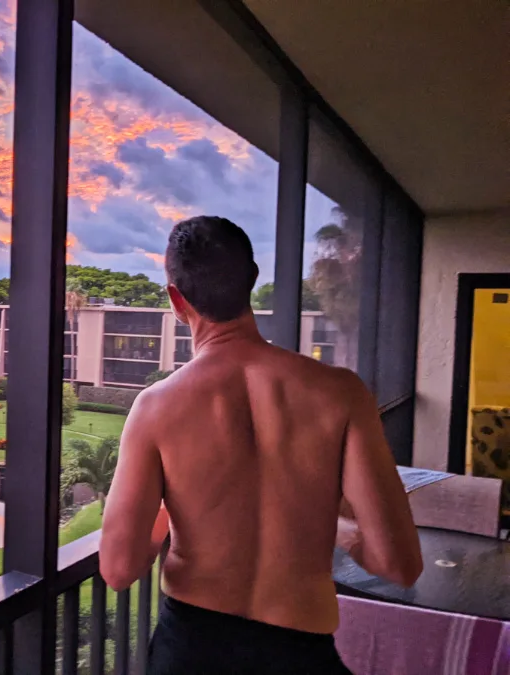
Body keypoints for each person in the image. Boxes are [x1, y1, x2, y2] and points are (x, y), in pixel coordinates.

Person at [99, 216, 422, 674]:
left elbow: (117, 568)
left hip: (191, 650)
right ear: (252, 280)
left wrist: (178, 507)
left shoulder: (156, 408)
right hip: (299, 653)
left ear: (176, 299)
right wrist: (339, 529)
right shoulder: (341, 393)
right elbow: (399, 565)